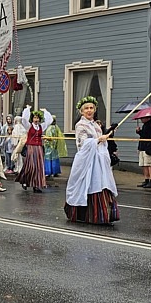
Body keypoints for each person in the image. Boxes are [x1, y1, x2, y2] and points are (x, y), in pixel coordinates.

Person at [64, 96, 119, 225]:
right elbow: (82, 143)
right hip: (87, 161)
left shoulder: (96, 125)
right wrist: (98, 139)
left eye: (91, 108)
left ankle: (102, 214)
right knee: (88, 184)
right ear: (82, 111)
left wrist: (108, 133)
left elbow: (101, 139)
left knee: (101, 183)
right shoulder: (80, 125)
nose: (89, 110)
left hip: (99, 160)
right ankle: (84, 214)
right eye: (86, 108)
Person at [16, 105, 53, 193]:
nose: (36, 120)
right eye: (34, 118)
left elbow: (49, 121)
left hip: (39, 148)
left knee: (38, 167)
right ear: (32, 119)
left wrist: (46, 112)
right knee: (30, 166)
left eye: (37, 118)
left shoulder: (41, 127)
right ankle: (25, 181)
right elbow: (24, 119)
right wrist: (27, 109)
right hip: (31, 147)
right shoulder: (29, 126)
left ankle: (36, 185)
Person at [136, 116, 151, 188]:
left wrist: (139, 131)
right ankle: (146, 179)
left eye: (143, 118)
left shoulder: (150, 125)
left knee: (148, 164)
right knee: (144, 165)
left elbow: (145, 135)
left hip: (147, 147)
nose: (141, 119)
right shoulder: (145, 125)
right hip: (143, 147)